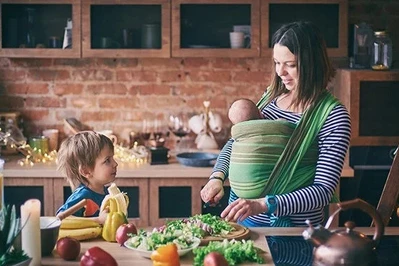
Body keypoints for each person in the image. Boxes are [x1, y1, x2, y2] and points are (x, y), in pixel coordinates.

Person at [200, 21, 351, 227]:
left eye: (290, 64)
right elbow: (237, 142)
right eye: (277, 63)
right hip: (242, 224)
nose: (281, 72)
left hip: (293, 231)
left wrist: (264, 204)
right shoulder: (270, 97)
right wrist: (217, 177)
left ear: (312, 64)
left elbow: (323, 191)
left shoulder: (333, 116)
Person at [56, 131, 118, 224]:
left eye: (113, 158)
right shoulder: (82, 196)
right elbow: (61, 219)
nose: (115, 164)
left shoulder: (105, 192)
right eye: (107, 160)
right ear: (86, 171)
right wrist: (98, 220)